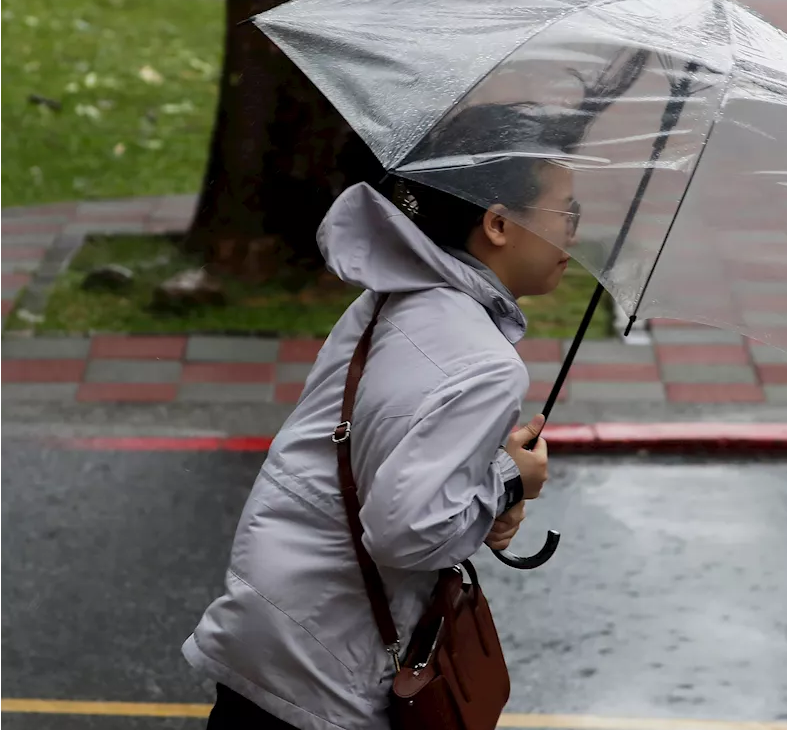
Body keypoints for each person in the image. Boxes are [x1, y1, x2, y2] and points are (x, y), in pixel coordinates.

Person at [184, 104, 585, 730]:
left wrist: (481, 484)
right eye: (566, 212)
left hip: (270, 626)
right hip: (328, 674)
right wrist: (509, 481)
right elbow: (407, 532)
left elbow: (370, 457)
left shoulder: (389, 296)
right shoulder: (486, 364)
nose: (574, 234)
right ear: (498, 224)